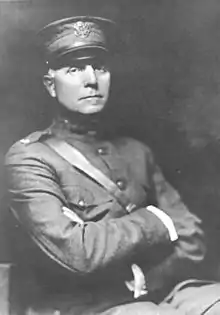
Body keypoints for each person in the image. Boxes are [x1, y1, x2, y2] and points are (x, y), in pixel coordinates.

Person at [4, 16, 205, 315]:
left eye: (100, 67)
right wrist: (157, 221)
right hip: (79, 306)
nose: (91, 79)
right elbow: (78, 252)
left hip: (154, 290)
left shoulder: (136, 151)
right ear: (50, 85)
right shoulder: (30, 159)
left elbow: (193, 238)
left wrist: (146, 281)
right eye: (74, 69)